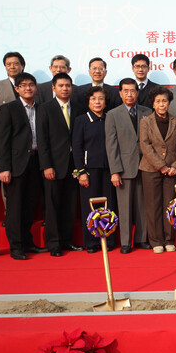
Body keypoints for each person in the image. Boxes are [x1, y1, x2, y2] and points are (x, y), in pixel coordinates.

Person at [0, 72, 48, 260]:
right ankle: (16, 246)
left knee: (29, 207)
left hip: (36, 162)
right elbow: (1, 141)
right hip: (16, 165)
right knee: (15, 208)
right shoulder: (9, 109)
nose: (28, 88)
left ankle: (27, 242)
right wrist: (4, 167)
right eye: (23, 85)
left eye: (31, 85)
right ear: (17, 89)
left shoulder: (42, 108)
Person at [36, 73, 82, 256]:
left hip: (74, 166)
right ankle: (54, 244)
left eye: (68, 85)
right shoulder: (45, 109)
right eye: (61, 85)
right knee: (53, 206)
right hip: (53, 166)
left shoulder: (78, 107)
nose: (65, 88)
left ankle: (67, 240)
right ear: (53, 88)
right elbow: (42, 140)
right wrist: (46, 165)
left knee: (70, 205)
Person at [105, 78, 152, 253]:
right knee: (124, 207)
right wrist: (115, 171)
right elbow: (111, 145)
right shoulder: (113, 114)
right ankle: (126, 242)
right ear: (120, 92)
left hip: (146, 165)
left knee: (143, 205)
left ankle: (141, 239)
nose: (129, 94)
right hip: (124, 168)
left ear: (138, 92)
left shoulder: (147, 112)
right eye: (126, 91)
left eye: (133, 90)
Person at [140, 86, 176, 253]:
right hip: (151, 169)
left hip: (172, 171)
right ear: (153, 104)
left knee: (170, 206)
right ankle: (156, 240)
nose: (161, 104)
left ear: (169, 103)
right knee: (153, 206)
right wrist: (161, 166)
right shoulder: (145, 122)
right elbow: (145, 145)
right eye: (158, 101)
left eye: (164, 101)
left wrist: (174, 166)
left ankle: (169, 239)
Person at [72, 86, 116, 253]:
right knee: (89, 207)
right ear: (88, 102)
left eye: (101, 98)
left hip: (108, 169)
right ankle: (91, 242)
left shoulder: (110, 118)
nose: (97, 102)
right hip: (89, 170)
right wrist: (81, 172)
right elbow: (77, 147)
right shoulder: (81, 120)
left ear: (106, 102)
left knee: (108, 206)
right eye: (93, 99)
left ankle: (109, 239)